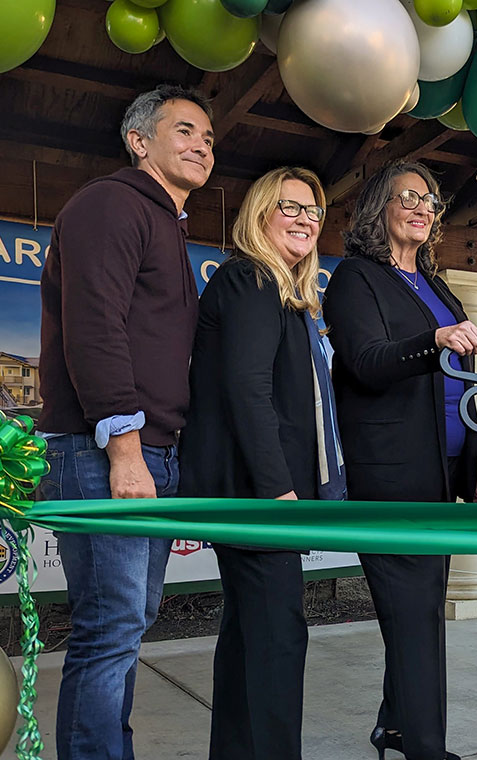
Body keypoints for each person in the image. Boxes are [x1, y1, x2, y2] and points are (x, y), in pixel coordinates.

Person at [35, 84, 214, 760]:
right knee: (110, 629)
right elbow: (94, 328)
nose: (203, 145)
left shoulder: (165, 223)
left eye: (209, 138)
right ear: (139, 141)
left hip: (151, 452)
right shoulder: (110, 203)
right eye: (186, 130)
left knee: (127, 625)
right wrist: (126, 448)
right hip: (105, 451)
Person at [323, 161, 477, 760]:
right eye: (410, 198)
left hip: (443, 474)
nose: (423, 208)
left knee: (416, 610)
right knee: (416, 616)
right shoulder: (354, 279)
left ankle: (394, 725)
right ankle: (425, 747)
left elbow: (466, 383)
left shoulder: (436, 284)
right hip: (392, 478)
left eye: (431, 202)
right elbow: (367, 362)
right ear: (379, 210)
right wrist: (435, 340)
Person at [179, 166, 343, 759]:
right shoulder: (250, 279)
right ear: (259, 215)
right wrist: (278, 491)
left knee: (251, 636)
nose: (305, 219)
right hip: (257, 497)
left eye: (313, 211)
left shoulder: (281, 292)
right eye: (290, 207)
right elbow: (247, 389)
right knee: (276, 641)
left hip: (255, 493)